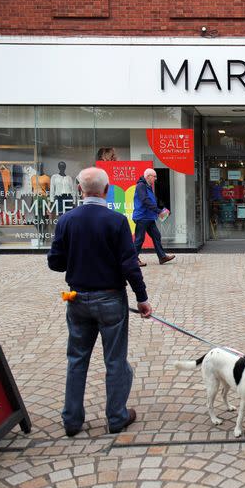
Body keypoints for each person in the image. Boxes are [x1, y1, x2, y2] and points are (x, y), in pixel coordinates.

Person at [47, 167, 152, 437]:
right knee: (115, 360)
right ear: (106, 191)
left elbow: (55, 263)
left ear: (80, 190)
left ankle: (72, 420)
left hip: (78, 298)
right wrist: (142, 298)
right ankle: (116, 417)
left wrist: (76, 258)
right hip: (110, 300)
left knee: (77, 359)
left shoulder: (66, 220)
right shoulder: (116, 221)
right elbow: (130, 266)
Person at [132, 168, 175, 266]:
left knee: (156, 236)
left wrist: (163, 210)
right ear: (148, 176)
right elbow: (145, 200)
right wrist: (158, 211)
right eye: (154, 176)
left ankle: (162, 257)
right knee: (139, 239)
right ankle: (133, 260)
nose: (155, 179)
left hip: (149, 217)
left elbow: (152, 200)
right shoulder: (141, 186)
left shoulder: (148, 186)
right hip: (142, 217)